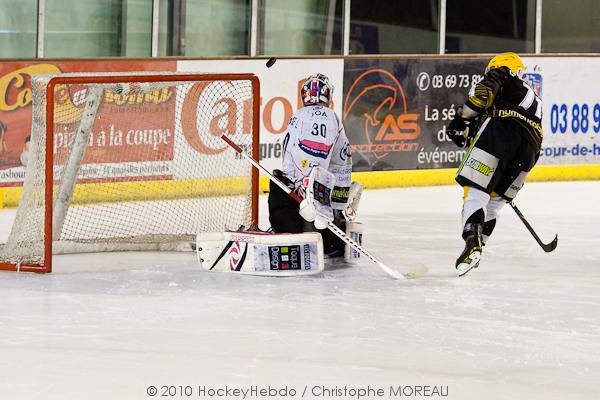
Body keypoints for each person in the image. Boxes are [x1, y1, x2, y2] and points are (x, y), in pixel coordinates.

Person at [447, 52, 542, 276]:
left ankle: (472, 243)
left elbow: (483, 94)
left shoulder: (501, 72)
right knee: (494, 203)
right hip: (530, 150)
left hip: (501, 132)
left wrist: (462, 117)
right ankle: (478, 247)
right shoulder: (531, 94)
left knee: (476, 191)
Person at [268, 73, 352, 256]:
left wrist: (302, 184)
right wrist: (339, 200)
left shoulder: (301, 116)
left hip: (305, 208)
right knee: (327, 215)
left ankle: (289, 236)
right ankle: (334, 240)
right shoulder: (335, 119)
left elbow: (295, 155)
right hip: (323, 208)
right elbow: (342, 162)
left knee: (277, 181)